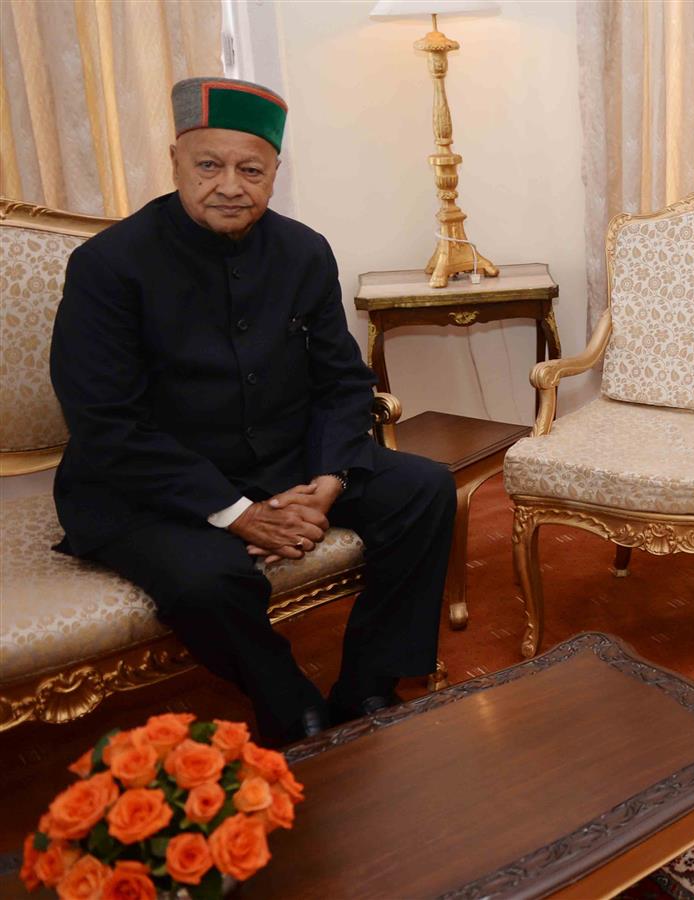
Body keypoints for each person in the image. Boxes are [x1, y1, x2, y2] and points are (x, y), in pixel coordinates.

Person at [50, 77, 457, 747]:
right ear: (176, 159)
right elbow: (108, 425)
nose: (230, 185)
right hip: (144, 485)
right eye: (209, 165)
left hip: (283, 463)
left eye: (251, 169)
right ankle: (286, 700)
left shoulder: (302, 252)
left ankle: (368, 685)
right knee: (210, 576)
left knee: (422, 490)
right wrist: (241, 515)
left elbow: (342, 384)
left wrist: (328, 481)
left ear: (274, 174)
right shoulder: (109, 266)